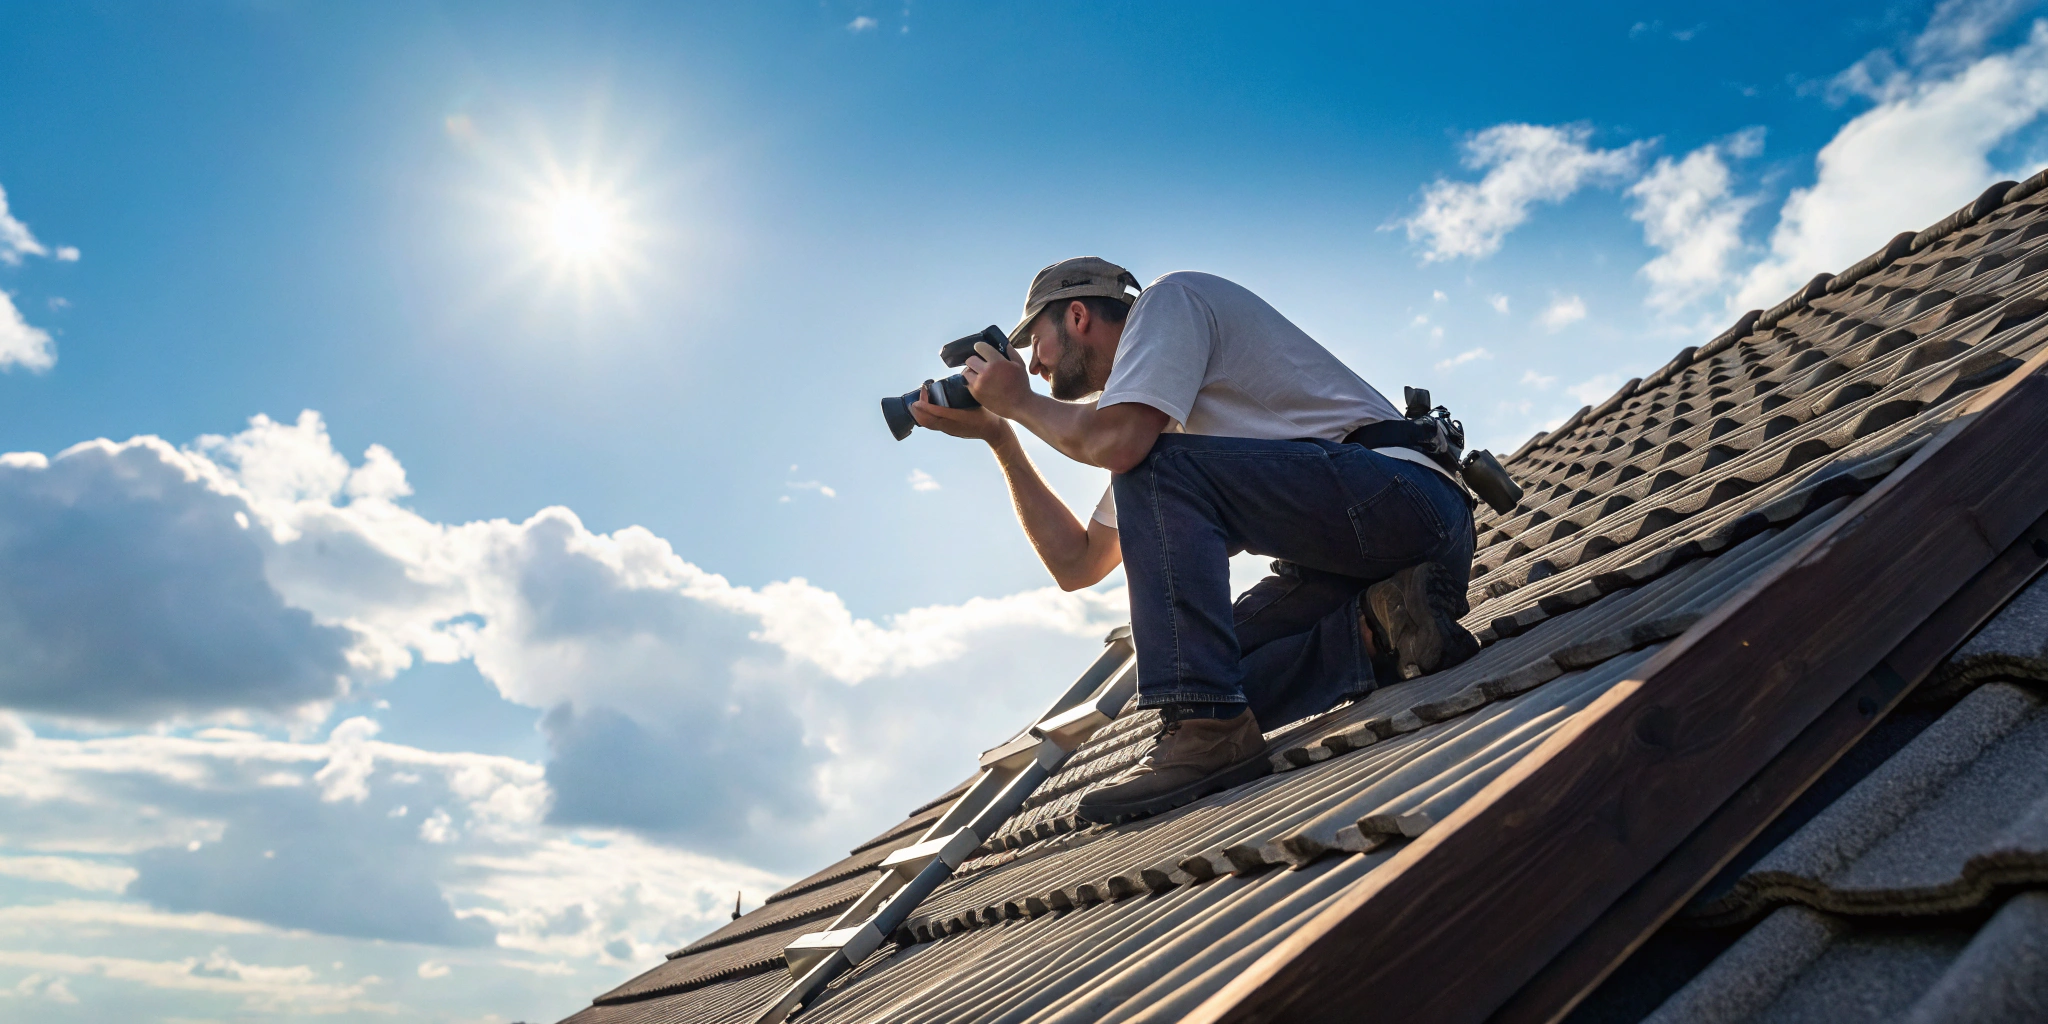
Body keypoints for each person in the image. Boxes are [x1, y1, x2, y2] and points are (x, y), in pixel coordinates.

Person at [910, 257, 1477, 824]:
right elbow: (1077, 564)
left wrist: (1019, 402)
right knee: (1207, 669)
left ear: (1077, 316)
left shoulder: (1170, 304)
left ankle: (1210, 730)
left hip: (1410, 498)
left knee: (1194, 686)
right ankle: (1384, 628)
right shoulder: (1150, 422)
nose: (1032, 366)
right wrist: (1000, 435)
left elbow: (1119, 447)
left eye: (1036, 342)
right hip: (1369, 557)